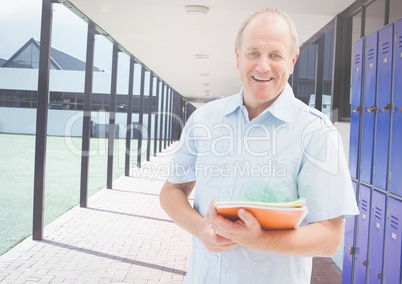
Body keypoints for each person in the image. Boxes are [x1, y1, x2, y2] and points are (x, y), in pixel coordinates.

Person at [160, 8, 359, 284]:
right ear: (238, 57)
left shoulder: (316, 132)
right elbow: (172, 191)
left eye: (275, 55)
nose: (263, 66)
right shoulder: (204, 119)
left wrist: (265, 240)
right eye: (253, 53)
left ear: (292, 60)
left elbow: (329, 238)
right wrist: (201, 228)